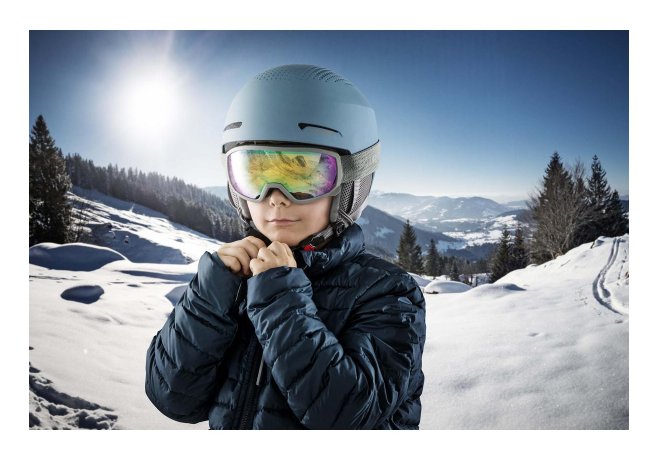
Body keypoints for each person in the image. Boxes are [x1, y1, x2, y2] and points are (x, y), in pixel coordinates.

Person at [144, 64, 426, 429]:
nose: (275, 197)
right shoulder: (233, 280)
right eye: (255, 173)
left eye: (303, 174)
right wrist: (208, 299)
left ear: (351, 184)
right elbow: (172, 397)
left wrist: (280, 299)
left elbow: (352, 417)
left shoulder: (389, 292)